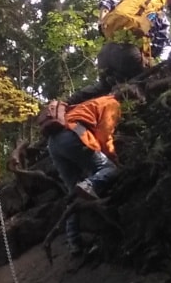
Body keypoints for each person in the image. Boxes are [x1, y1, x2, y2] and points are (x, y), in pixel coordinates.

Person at [37, 95, 119, 252]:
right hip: (72, 134)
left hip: (53, 144)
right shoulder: (112, 103)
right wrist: (113, 157)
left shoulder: (90, 103)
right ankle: (89, 185)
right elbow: (104, 134)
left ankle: (73, 240)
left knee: (72, 191)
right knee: (109, 169)